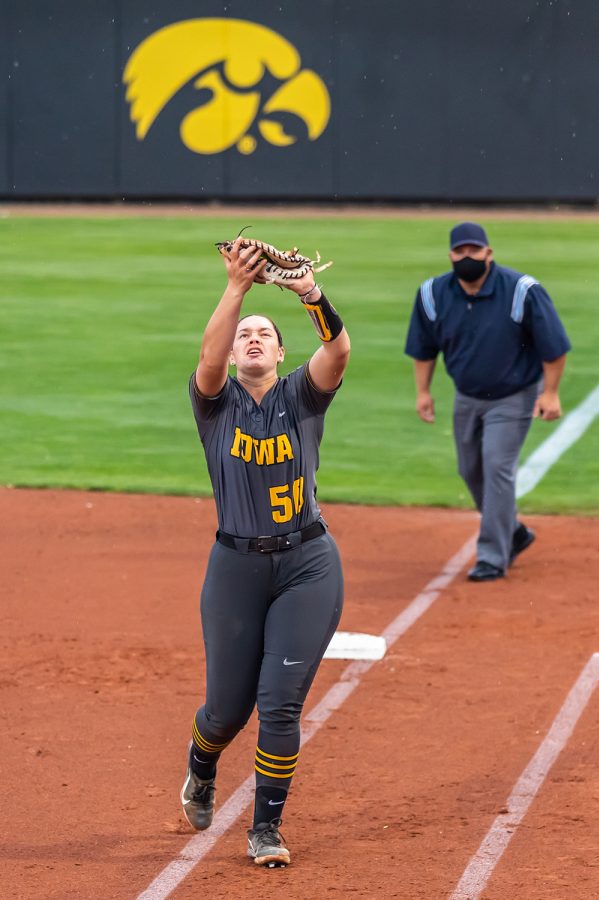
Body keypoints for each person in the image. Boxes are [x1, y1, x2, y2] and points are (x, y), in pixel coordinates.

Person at [181, 237, 351, 866]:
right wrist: (237, 289)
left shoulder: (303, 396)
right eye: (242, 335)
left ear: (280, 353)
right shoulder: (214, 404)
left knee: (279, 704)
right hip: (236, 569)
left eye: (263, 335)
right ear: (231, 352)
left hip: (308, 565)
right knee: (226, 711)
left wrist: (310, 294)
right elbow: (206, 356)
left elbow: (337, 348)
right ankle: (202, 766)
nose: (251, 338)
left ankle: (265, 829)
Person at [405, 222, 570, 582]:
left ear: (488, 253)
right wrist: (423, 391)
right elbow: (423, 348)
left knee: (497, 466)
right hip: (467, 395)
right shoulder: (433, 294)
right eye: (460, 252)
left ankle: (493, 556)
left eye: (474, 251)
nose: (467, 258)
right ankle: (513, 531)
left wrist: (551, 393)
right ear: (450, 255)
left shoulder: (521, 291)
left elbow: (554, 347)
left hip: (514, 395)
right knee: (470, 470)